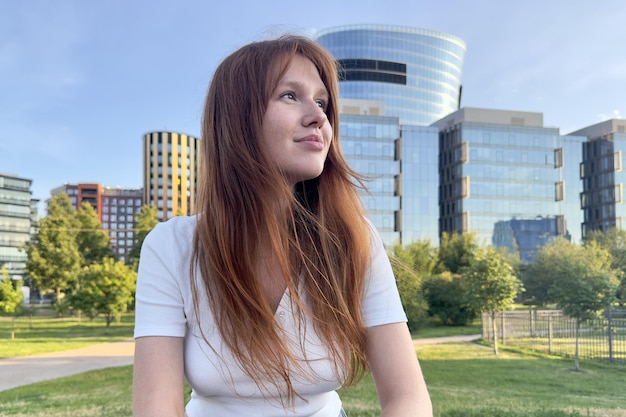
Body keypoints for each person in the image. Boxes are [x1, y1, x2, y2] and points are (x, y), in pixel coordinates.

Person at [132, 34, 432, 417]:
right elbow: (156, 408)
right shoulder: (171, 247)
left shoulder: (355, 239)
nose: (319, 117)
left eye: (322, 102)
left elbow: (408, 397)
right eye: (290, 95)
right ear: (238, 118)